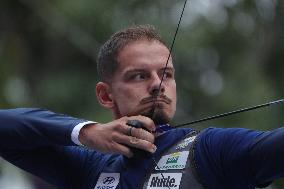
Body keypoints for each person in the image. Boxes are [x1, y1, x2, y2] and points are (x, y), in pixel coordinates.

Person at [0, 25, 284, 189]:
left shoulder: (210, 150)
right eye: (139, 75)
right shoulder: (91, 167)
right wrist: (87, 132)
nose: (158, 84)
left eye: (167, 74)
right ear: (106, 96)